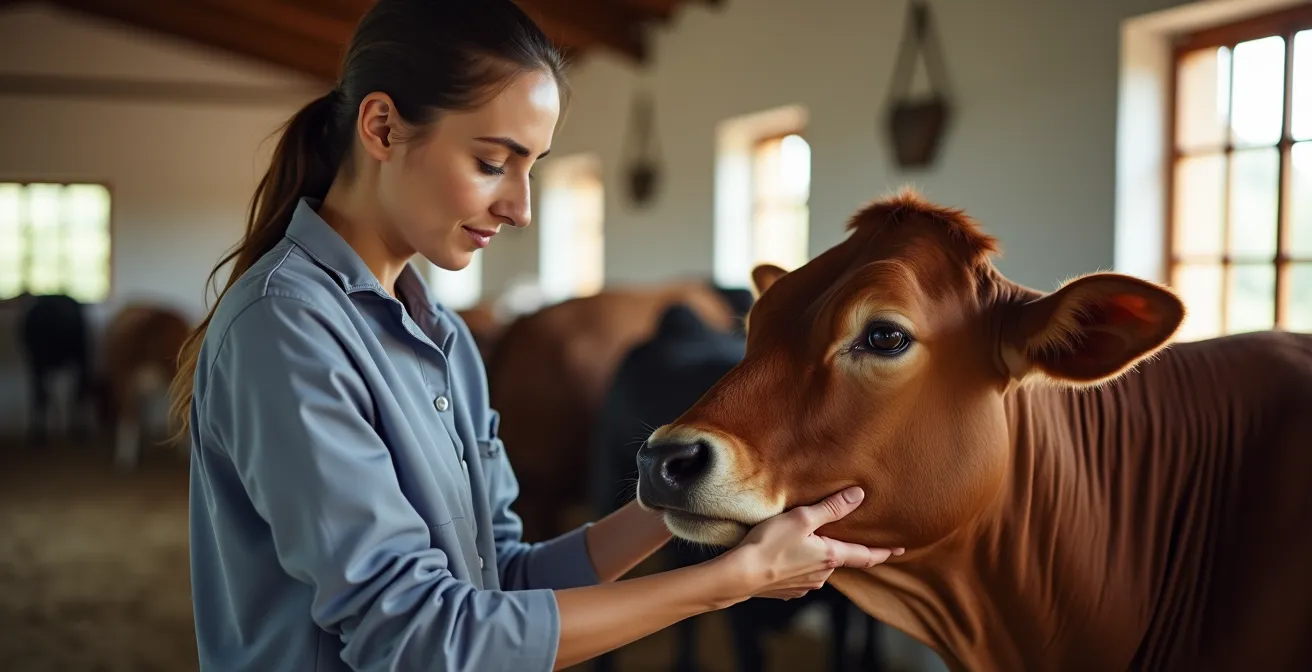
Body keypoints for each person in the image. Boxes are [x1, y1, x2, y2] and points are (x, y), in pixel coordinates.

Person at [168, 1, 902, 670]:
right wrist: (729, 582)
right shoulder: (285, 329)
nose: (520, 208)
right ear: (383, 127)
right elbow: (419, 638)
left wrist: (683, 495)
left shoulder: (444, 340)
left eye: (530, 168)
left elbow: (504, 580)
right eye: (492, 163)